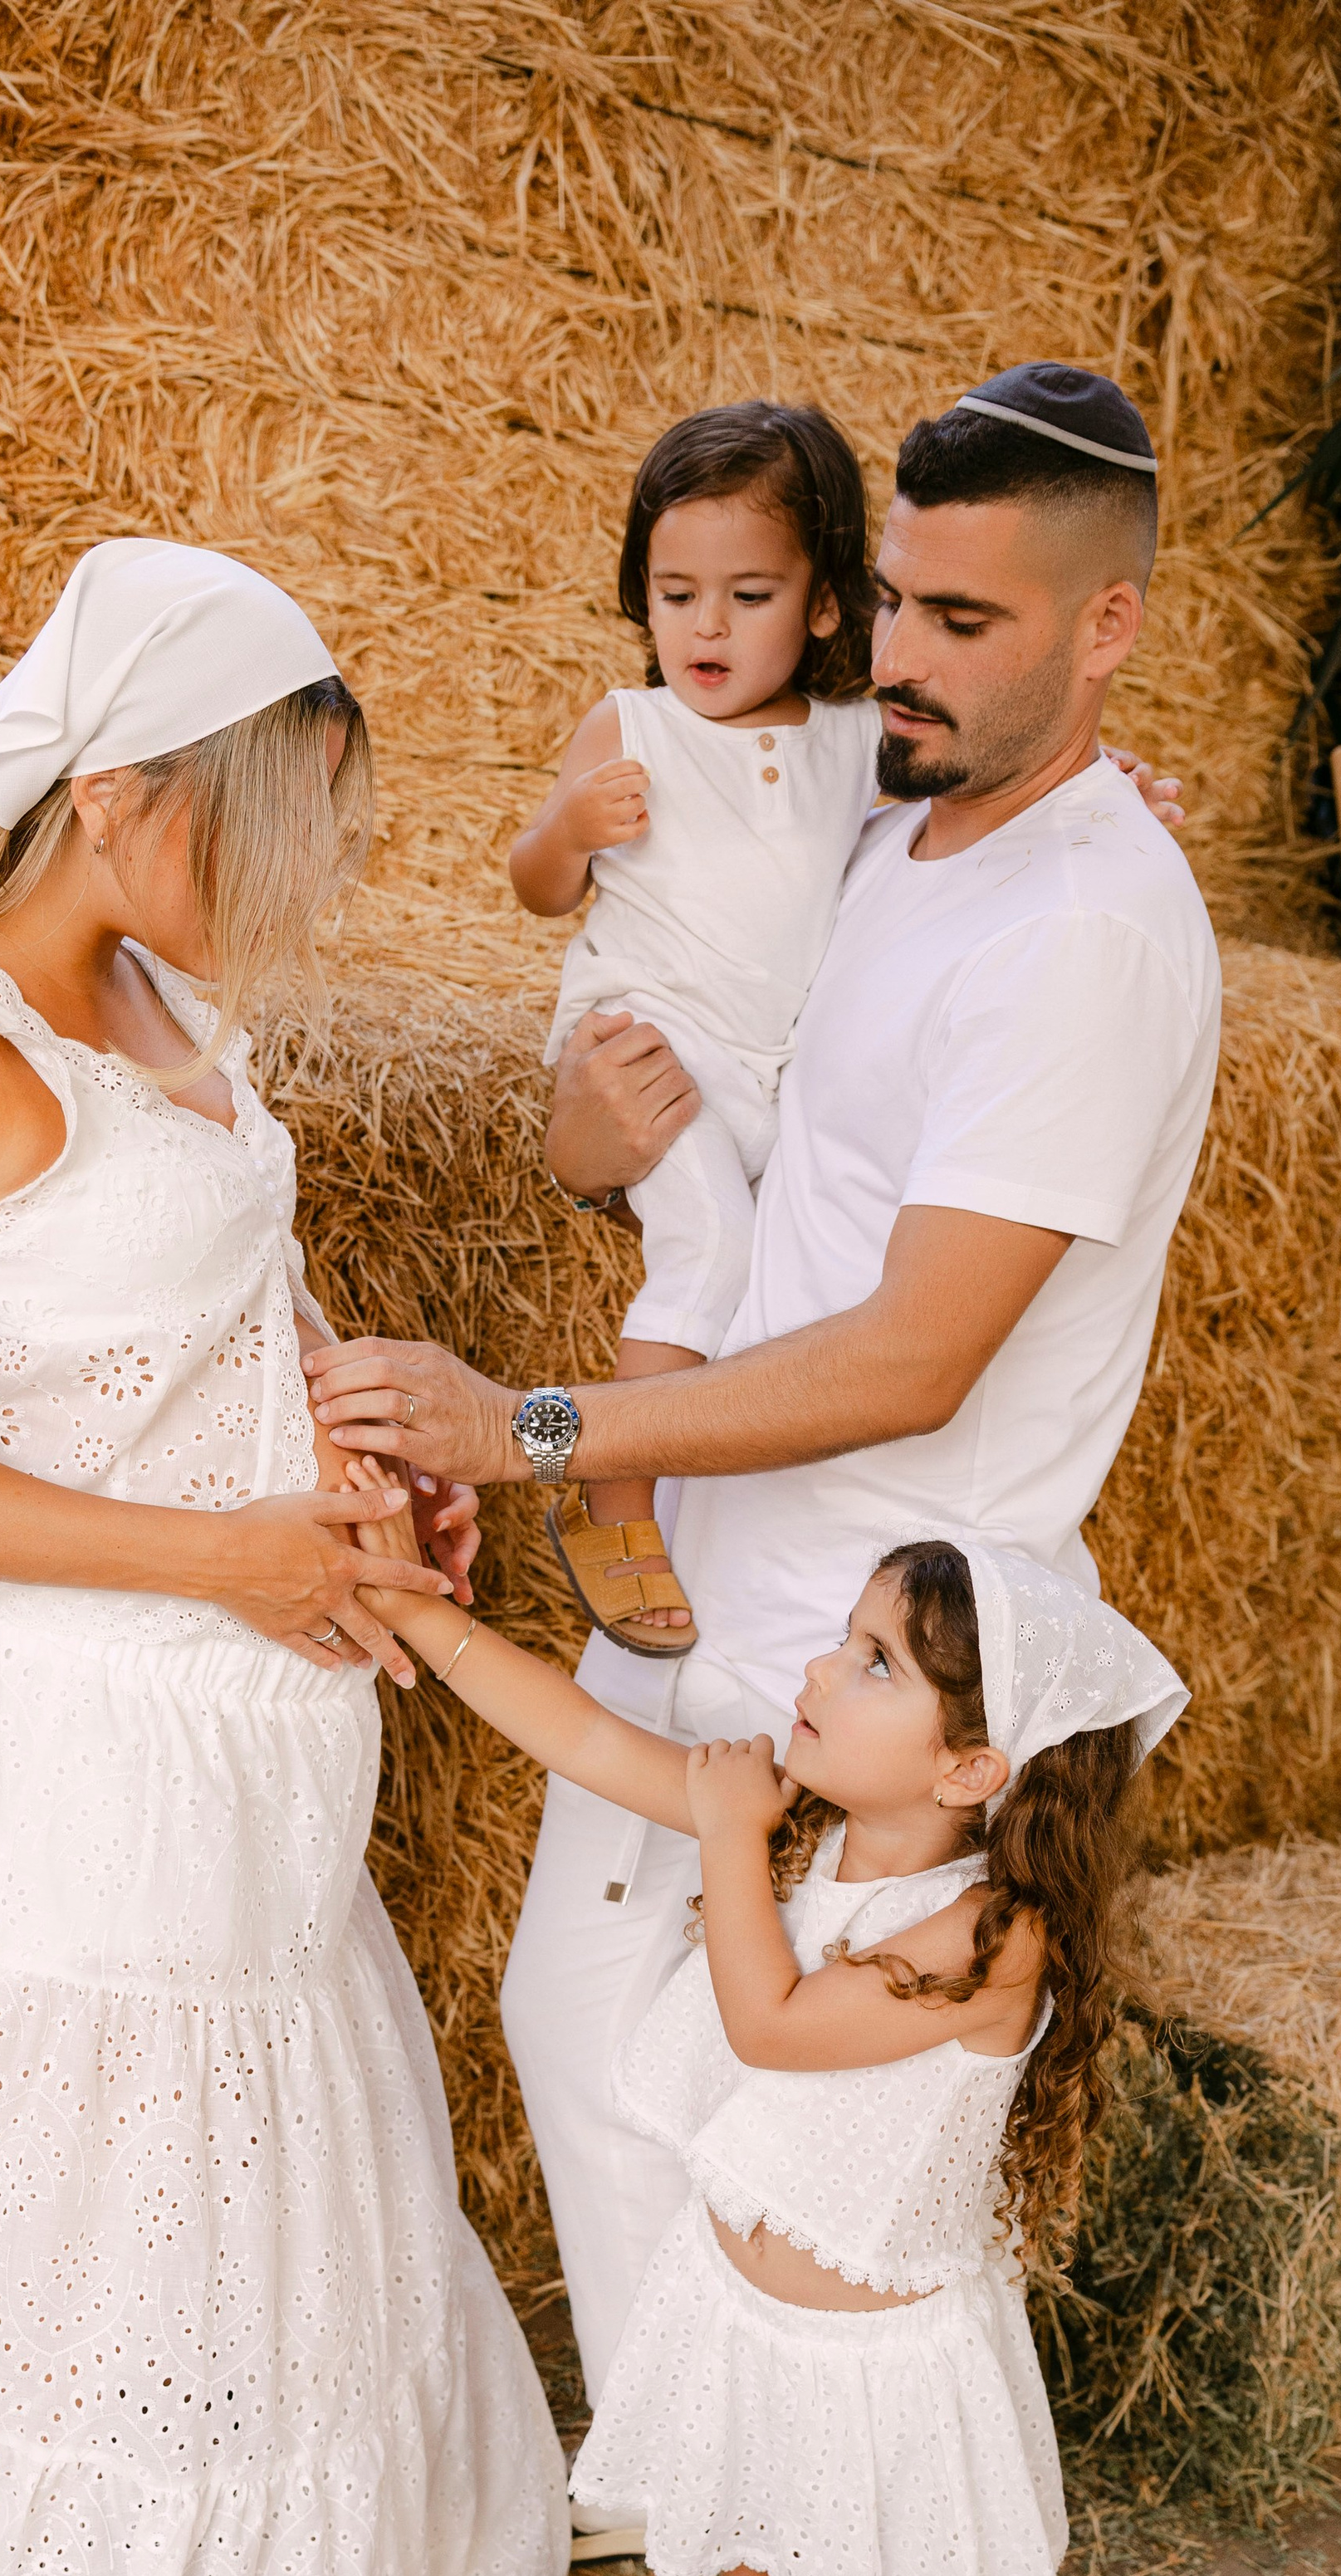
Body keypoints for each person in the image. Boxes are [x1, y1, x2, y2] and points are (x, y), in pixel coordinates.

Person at [305, 365, 1221, 2565]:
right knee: (590, 2027)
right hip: (705, 1576)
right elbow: (654, 1121)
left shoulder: (1094, 931)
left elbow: (914, 1355)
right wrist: (581, 1141)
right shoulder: (890, 832)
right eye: (893, 600)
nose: (897, 656)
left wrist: (533, 1432)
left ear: (1109, 633)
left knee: (811, 2130)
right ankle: (717, 2509)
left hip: (877, 1654)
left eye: (971, 624)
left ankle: (803, 2556)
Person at [0, 538, 570, 2576]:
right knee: (115, 2226)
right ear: (126, 792)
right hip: (81, 1764)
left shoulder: (178, 1023)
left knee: (277, 2191)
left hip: (261, 1764)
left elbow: (258, 1324)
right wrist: (230, 1560)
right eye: (286, 824)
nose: (317, 887)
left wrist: (361, 1503)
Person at [344, 1487, 1186, 2576]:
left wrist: (725, 1835)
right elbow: (592, 1743)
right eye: (844, 1634)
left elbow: (777, 2023)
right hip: (746, 2321)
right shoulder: (796, 1822)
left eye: (873, 1662)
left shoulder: (989, 1938)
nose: (818, 1667)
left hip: (886, 2361)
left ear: (969, 1769)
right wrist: (422, 1620)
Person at [508, 400, 879, 1652]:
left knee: (776, 1275)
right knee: (712, 1245)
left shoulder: (857, 742)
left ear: (826, 604)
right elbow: (536, 887)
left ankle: (670, 1486)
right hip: (648, 1044)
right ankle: (608, 1485)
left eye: (748, 595)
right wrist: (568, 833)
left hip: (768, 1066)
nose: (704, 628)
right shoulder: (634, 727)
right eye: (675, 595)